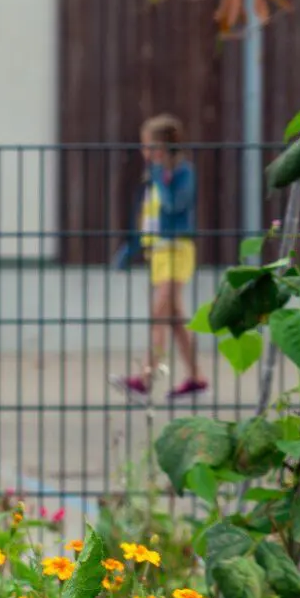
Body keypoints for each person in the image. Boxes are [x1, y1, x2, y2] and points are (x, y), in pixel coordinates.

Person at [113, 113, 206, 398]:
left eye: (149, 146)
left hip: (178, 248)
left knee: (159, 313)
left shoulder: (183, 173)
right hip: (159, 251)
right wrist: (134, 246)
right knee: (176, 319)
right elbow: (150, 216)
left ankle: (145, 376)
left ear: (163, 148)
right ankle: (196, 377)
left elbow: (174, 205)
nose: (145, 153)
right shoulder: (154, 176)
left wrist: (159, 178)